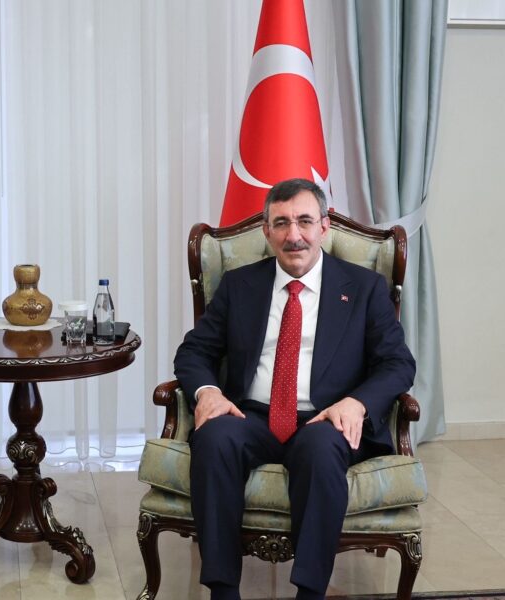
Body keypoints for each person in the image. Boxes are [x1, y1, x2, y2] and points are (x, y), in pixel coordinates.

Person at [174, 178, 416, 599]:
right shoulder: (239, 285)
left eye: (304, 221)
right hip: (251, 415)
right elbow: (194, 351)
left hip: (326, 418)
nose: (294, 235)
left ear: (324, 226)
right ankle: (223, 590)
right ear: (266, 231)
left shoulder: (363, 288)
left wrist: (358, 403)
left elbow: (398, 363)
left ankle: (310, 592)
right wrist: (208, 391)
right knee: (213, 438)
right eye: (282, 223)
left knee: (320, 449)